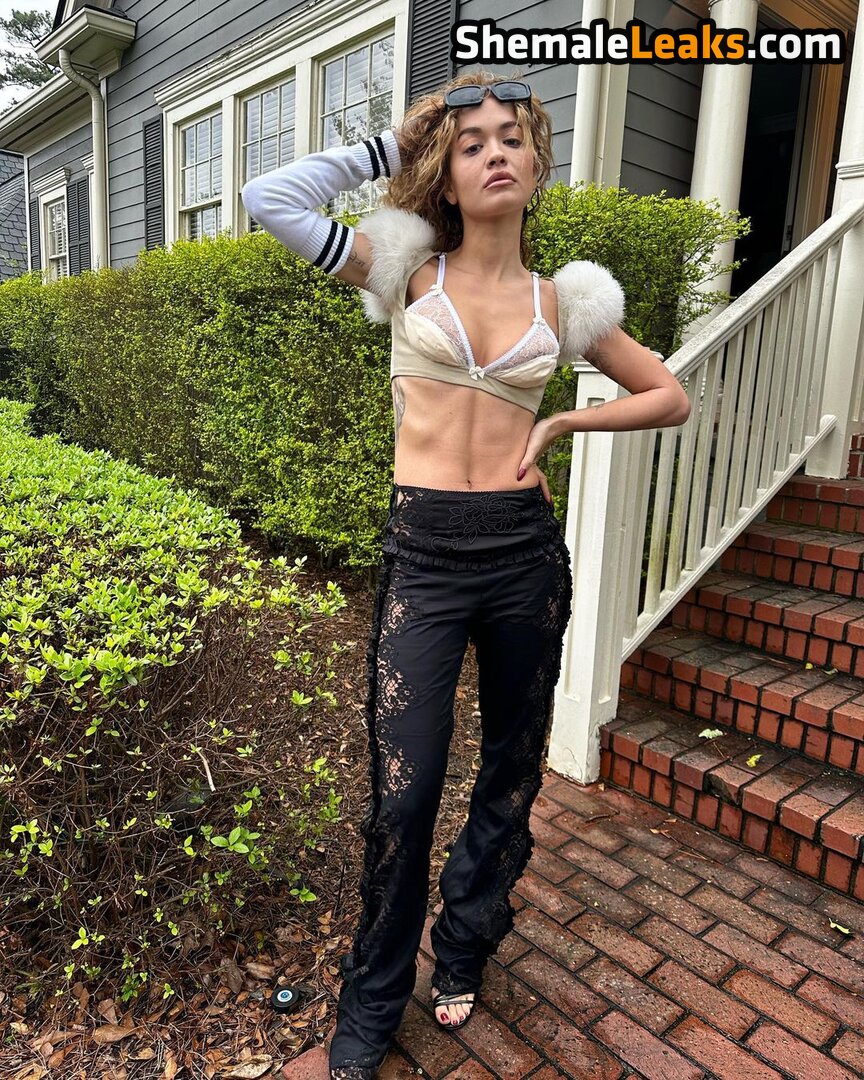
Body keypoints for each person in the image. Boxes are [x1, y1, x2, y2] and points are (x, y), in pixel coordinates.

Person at [241, 71, 690, 1080]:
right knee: (404, 794)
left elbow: (669, 395)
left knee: (511, 768)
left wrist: (565, 419)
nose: (494, 153)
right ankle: (372, 997)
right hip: (428, 557)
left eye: (510, 139)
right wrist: (389, 149)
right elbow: (271, 199)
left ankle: (466, 944)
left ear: (536, 164)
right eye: (472, 142)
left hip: (524, 557)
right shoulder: (402, 270)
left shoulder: (566, 302)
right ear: (446, 172)